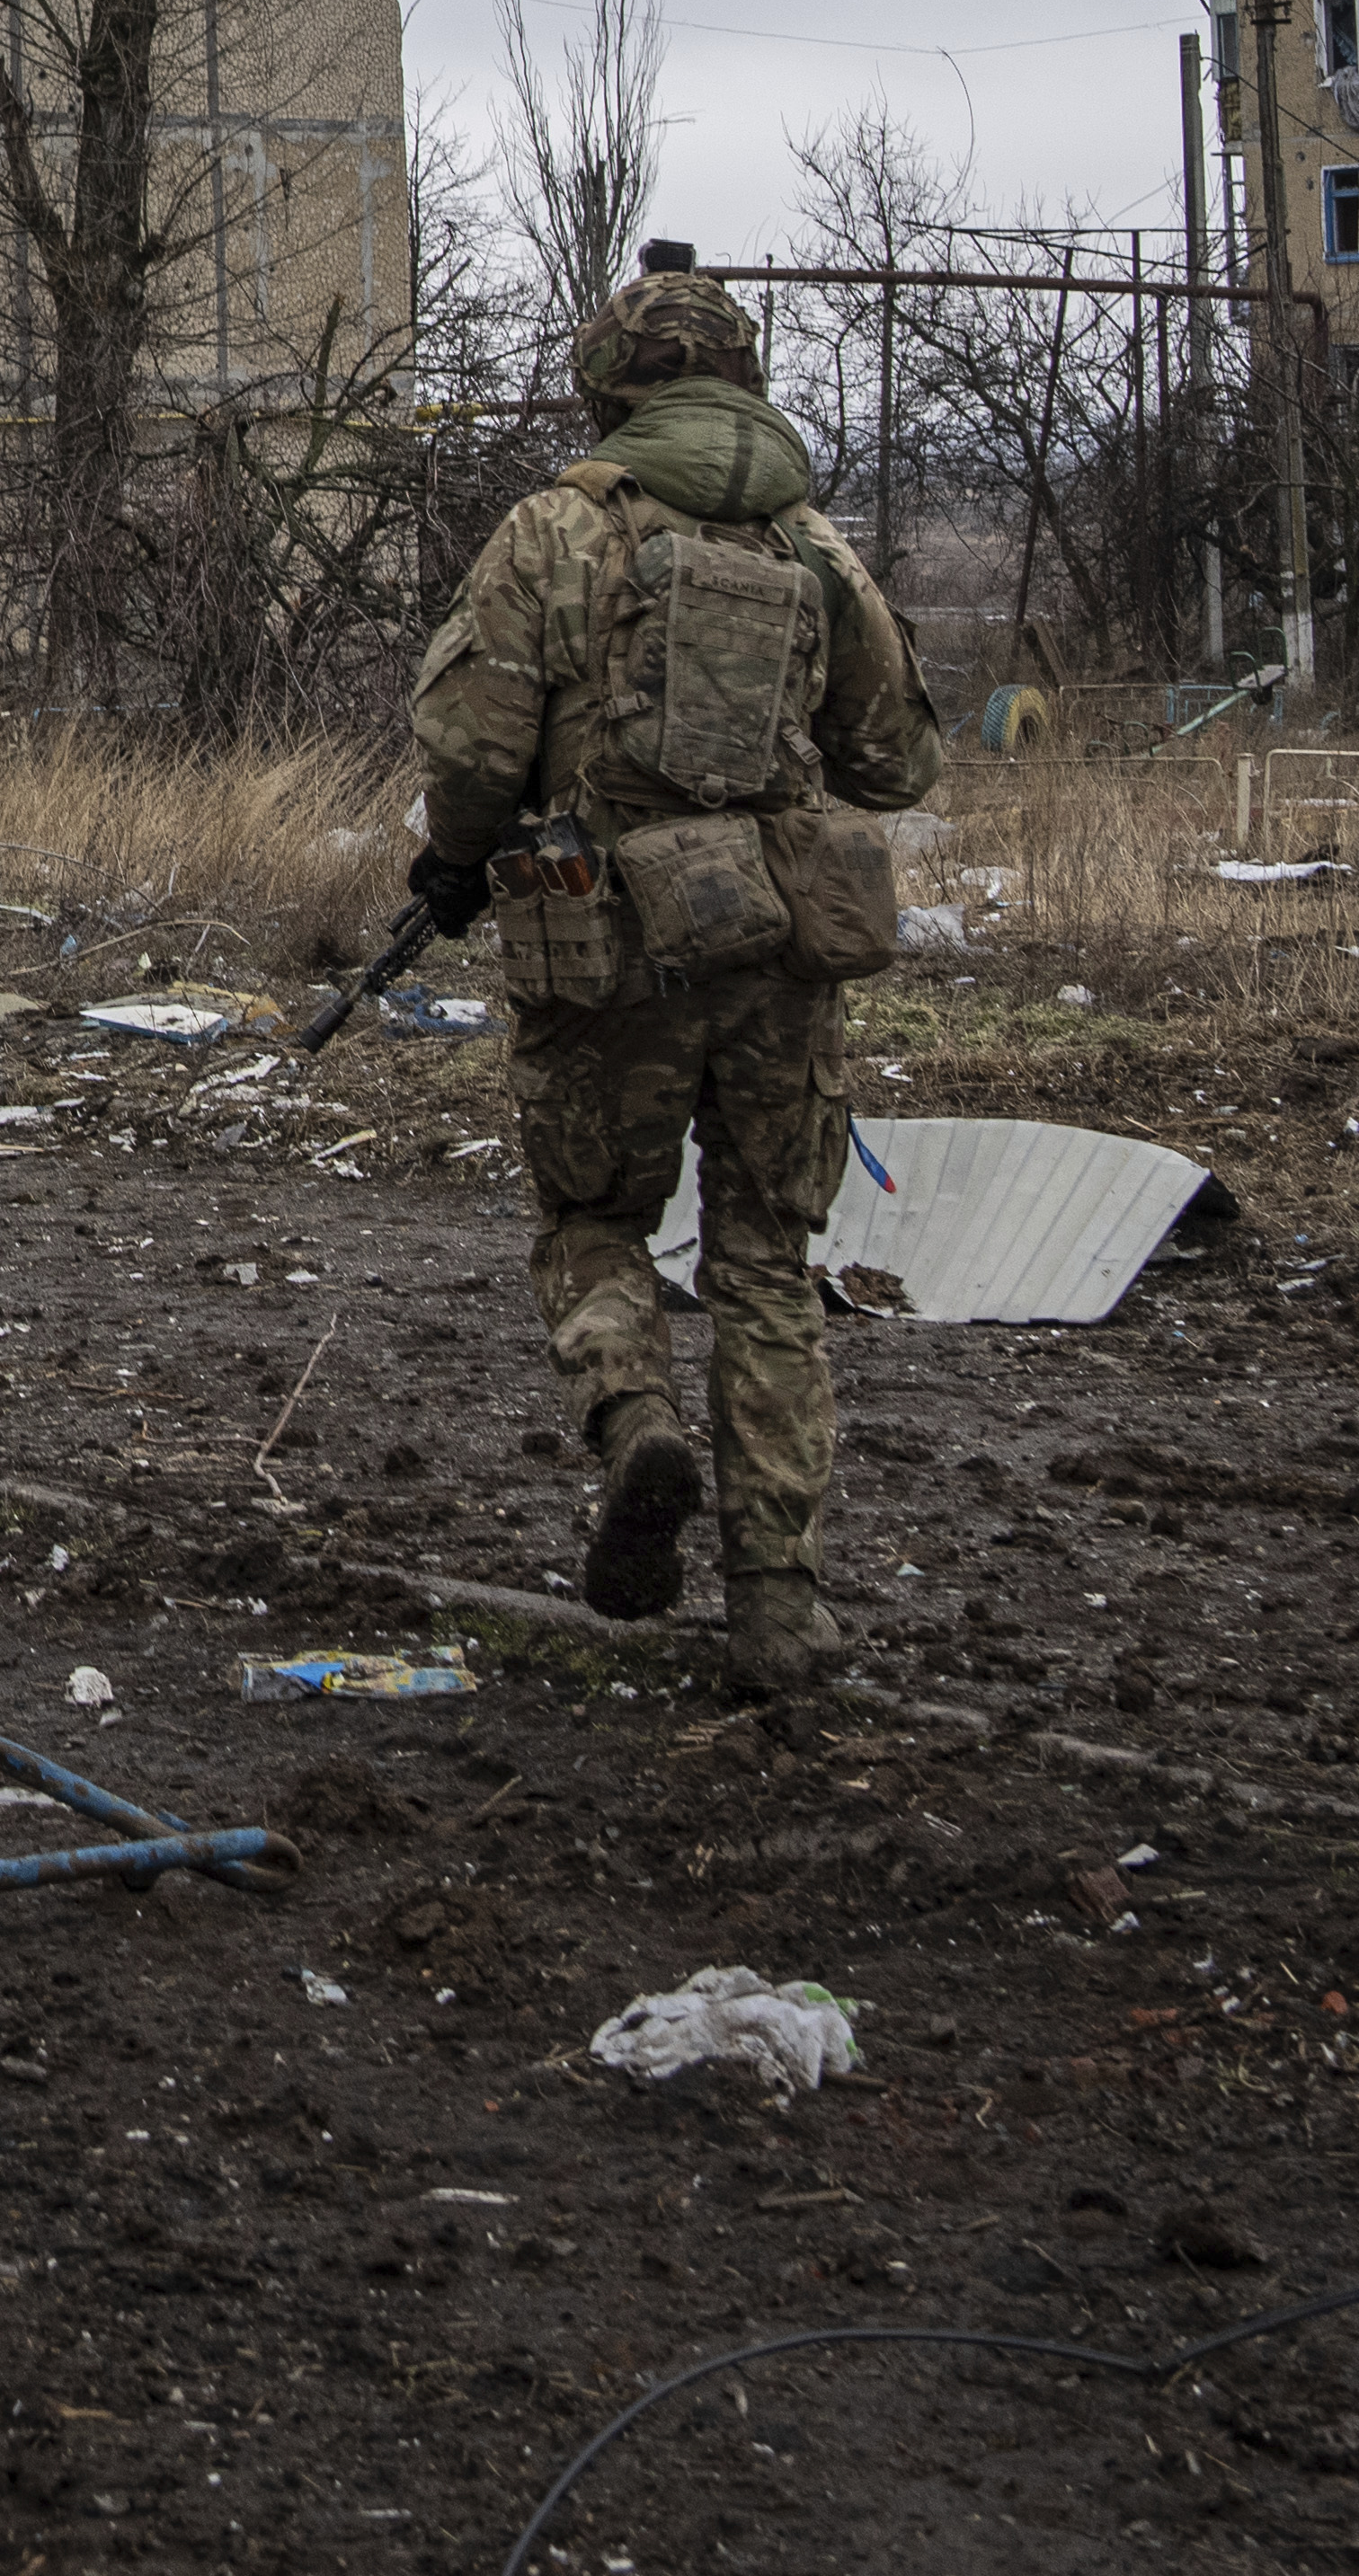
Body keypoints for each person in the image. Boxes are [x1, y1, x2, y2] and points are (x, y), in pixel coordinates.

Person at [404, 247, 939, 1692]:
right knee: (768, 1264)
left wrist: (458, 858)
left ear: (607, 389)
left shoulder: (553, 532)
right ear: (746, 381)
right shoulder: (814, 548)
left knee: (592, 1221)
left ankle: (636, 1418)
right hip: (778, 951)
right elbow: (895, 764)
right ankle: (781, 1607)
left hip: (606, 947)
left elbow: (469, 751)